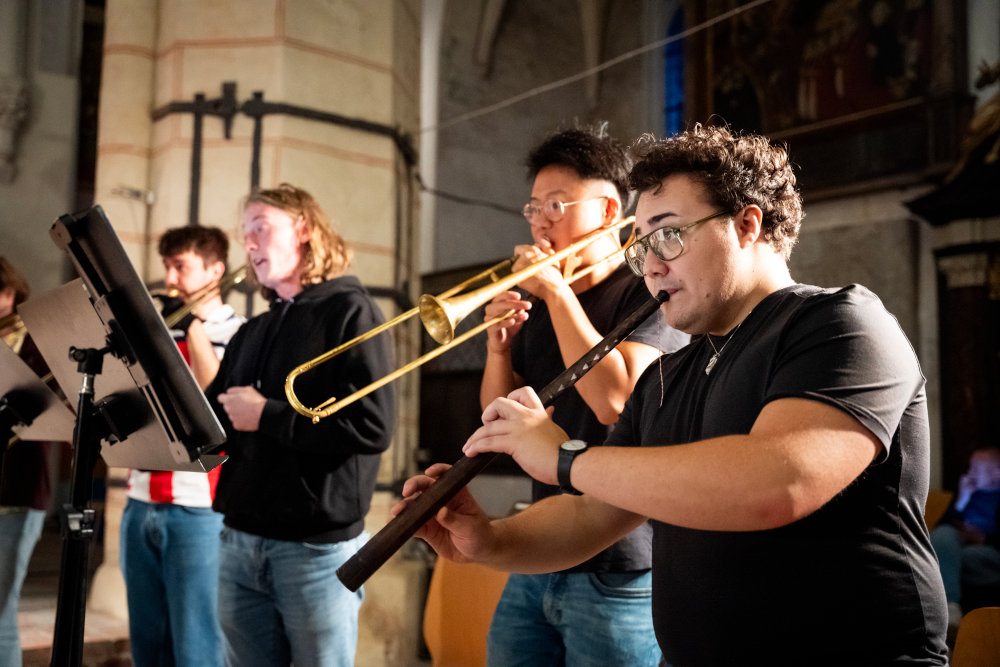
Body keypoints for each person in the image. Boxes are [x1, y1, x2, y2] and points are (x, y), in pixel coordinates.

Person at [399, 124, 949, 665]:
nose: (653, 265)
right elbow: (592, 516)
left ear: (746, 224)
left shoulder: (840, 323)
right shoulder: (672, 375)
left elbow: (778, 483)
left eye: (668, 234)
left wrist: (566, 457)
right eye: (643, 248)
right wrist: (489, 540)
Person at [479, 125, 688, 666]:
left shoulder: (648, 292)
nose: (540, 219)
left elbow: (616, 399)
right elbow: (497, 424)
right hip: (540, 549)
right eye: (533, 207)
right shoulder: (547, 303)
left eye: (555, 204)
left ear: (605, 210)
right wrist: (498, 351)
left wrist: (553, 290)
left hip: (617, 566)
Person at [207, 183, 395, 666]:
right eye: (244, 233)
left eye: (260, 228)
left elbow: (374, 428)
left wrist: (267, 414)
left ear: (304, 231)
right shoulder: (254, 329)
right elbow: (216, 421)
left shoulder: (353, 312)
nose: (248, 244)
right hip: (238, 538)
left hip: (314, 552)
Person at [120, 227, 244, 667]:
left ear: (216, 270)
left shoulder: (239, 332)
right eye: (168, 266)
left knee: (197, 645)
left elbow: (220, 402)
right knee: (148, 646)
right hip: (139, 499)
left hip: (199, 507)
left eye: (183, 267)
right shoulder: (157, 333)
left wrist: (191, 327)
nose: (171, 279)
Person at [0, 257, 56, 667]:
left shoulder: (34, 340)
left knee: (1, 612)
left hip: (16, 491)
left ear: (10, 295)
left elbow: (44, 408)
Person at [930, 445, 1000, 633]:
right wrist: (962, 500)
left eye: (976, 469)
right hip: (959, 542)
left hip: (989, 549)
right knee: (941, 536)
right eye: (970, 467)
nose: (970, 474)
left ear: (996, 474)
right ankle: (950, 609)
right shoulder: (969, 491)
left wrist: (983, 539)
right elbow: (943, 525)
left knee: (963, 557)